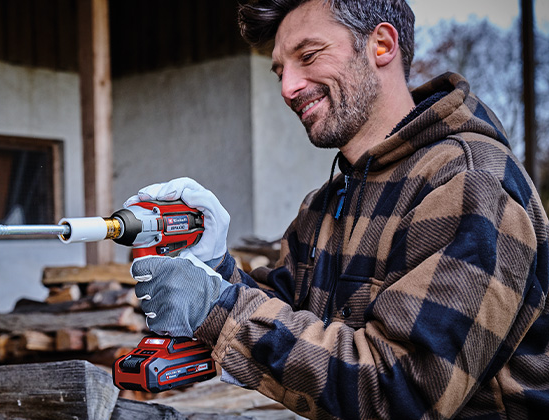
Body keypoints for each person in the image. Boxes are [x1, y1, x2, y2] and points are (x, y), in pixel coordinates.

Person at [126, 0, 549, 418]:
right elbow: (289, 318)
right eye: (280, 72)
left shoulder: (469, 182)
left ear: (381, 45)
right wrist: (213, 266)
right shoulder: (325, 205)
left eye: (308, 56)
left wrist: (215, 307)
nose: (288, 88)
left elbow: (400, 394)